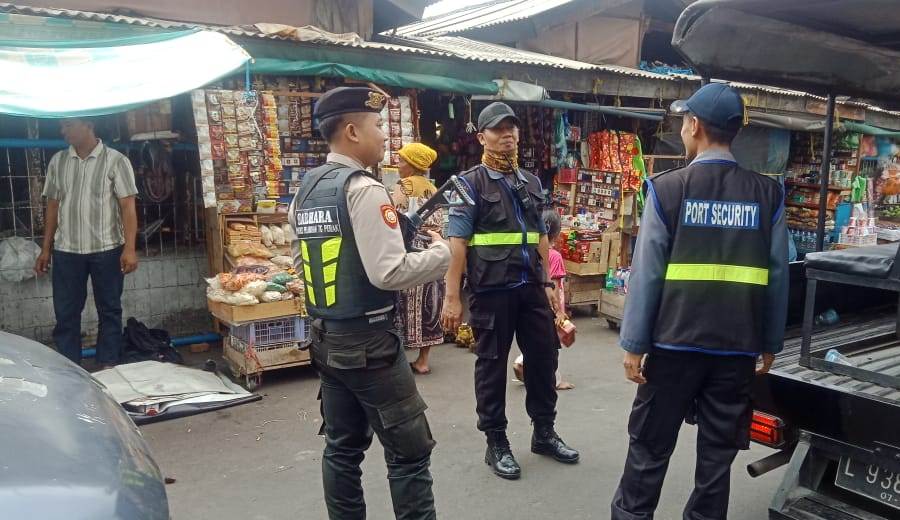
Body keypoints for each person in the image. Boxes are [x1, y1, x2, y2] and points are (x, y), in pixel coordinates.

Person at [610, 83, 789, 520]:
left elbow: (647, 273)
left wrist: (633, 344)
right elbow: (778, 275)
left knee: (649, 450)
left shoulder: (668, 190)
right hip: (736, 352)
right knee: (716, 459)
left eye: (682, 121)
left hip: (673, 348)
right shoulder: (768, 194)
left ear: (694, 126)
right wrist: (769, 343)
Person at [289, 87, 451, 520]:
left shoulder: (307, 188)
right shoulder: (364, 189)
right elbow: (389, 272)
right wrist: (442, 255)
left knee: (341, 450)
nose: (384, 136)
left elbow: (302, 262)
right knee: (410, 452)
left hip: (326, 341)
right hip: (371, 345)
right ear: (351, 131)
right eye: (378, 125)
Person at [442, 102, 579, 481]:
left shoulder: (531, 182)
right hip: (491, 290)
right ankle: (496, 442)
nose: (507, 135)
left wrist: (548, 282)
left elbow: (541, 238)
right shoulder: (469, 184)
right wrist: (452, 297)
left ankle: (544, 432)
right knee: (491, 366)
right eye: (498, 129)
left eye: (512, 129)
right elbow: (457, 243)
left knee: (544, 359)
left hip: (531, 287)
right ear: (481, 136)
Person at [34, 117, 139, 367]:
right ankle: (70, 368)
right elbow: (52, 207)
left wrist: (130, 248)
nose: (63, 131)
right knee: (66, 313)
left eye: (69, 125)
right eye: (62, 126)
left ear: (89, 124)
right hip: (67, 250)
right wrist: (45, 249)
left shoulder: (116, 160)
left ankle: (108, 365)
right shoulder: (58, 161)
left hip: (107, 249)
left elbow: (128, 207)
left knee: (110, 310)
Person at [390, 142, 444, 375]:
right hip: (434, 249)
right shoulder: (434, 189)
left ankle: (399, 359)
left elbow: (393, 218)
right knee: (429, 304)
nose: (398, 165)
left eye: (402, 160)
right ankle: (423, 360)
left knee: (401, 303)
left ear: (412, 164)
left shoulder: (404, 186)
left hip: (410, 249)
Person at [512, 209, 574, 390]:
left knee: (536, 341)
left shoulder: (531, 250)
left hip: (534, 301)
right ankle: (555, 380)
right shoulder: (555, 256)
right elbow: (555, 285)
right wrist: (559, 310)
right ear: (557, 233)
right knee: (553, 347)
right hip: (552, 305)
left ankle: (522, 362)